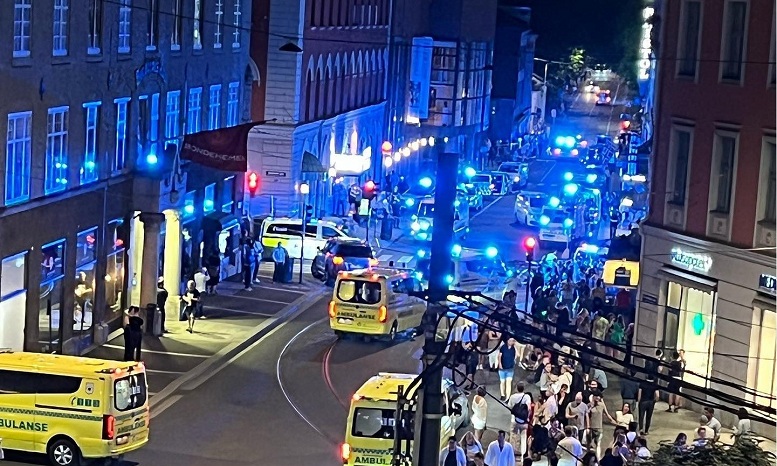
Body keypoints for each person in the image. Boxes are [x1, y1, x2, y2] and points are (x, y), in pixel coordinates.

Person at [508, 383, 531, 458]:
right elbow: (529, 408)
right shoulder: (527, 397)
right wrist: (527, 417)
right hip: (524, 420)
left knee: (513, 435)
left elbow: (510, 407)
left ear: (517, 388)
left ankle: (512, 454)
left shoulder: (512, 397)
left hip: (514, 420)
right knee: (523, 437)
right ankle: (522, 456)